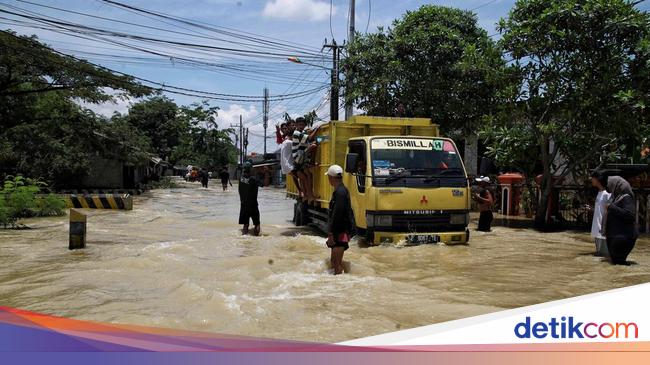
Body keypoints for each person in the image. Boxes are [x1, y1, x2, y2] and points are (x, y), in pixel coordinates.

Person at [602, 176, 638, 265]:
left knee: (618, 264)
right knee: (616, 266)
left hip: (623, 237)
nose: (607, 187)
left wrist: (611, 207)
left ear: (615, 185)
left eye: (609, 185)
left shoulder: (626, 198)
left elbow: (629, 215)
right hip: (617, 237)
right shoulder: (617, 197)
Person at [325, 165, 354, 275]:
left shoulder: (340, 193)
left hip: (340, 232)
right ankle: (337, 285)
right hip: (340, 231)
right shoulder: (341, 190)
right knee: (334, 262)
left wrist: (331, 233)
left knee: (336, 263)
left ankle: (341, 285)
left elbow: (337, 214)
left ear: (331, 178)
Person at [590, 170, 610, 257]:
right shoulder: (599, 193)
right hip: (596, 226)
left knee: (603, 255)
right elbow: (600, 209)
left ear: (598, 179)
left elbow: (608, 211)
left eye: (592, 178)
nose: (591, 180)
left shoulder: (607, 194)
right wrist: (591, 209)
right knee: (599, 254)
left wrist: (605, 227)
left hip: (602, 228)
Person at [238, 162, 260, 236]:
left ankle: (244, 237)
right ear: (250, 169)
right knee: (257, 224)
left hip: (244, 204)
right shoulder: (253, 179)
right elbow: (265, 184)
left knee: (245, 224)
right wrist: (266, 173)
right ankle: (257, 239)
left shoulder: (241, 178)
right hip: (253, 205)